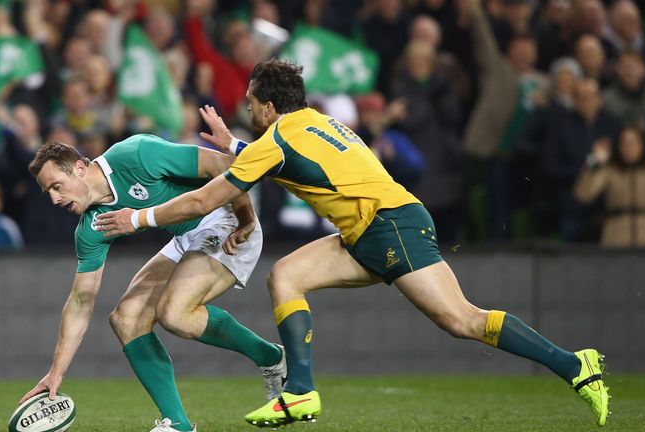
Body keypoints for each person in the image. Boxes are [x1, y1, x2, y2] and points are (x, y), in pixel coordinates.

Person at [96, 59, 610, 428]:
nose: (248, 110)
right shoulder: (317, 122)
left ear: (269, 106)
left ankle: (573, 363)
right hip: (368, 229)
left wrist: (138, 217)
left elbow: (203, 200)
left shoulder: (275, 139)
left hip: (390, 226)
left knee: (462, 320)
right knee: (286, 276)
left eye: (251, 104)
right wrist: (231, 143)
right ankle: (299, 392)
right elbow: (288, 159)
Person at [19, 135, 286, 432]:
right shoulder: (90, 228)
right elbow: (81, 300)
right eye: (48, 193)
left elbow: (224, 164)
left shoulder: (136, 154)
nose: (54, 199)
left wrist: (247, 218)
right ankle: (178, 423)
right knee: (126, 318)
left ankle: (270, 358)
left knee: (175, 314)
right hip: (187, 236)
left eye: (57, 186)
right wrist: (56, 373)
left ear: (80, 168)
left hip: (228, 222)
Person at [574, 126, 645, 248]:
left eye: (634, 142)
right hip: (616, 236)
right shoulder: (610, 170)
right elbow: (583, 194)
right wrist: (594, 162)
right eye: (624, 143)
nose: (629, 147)